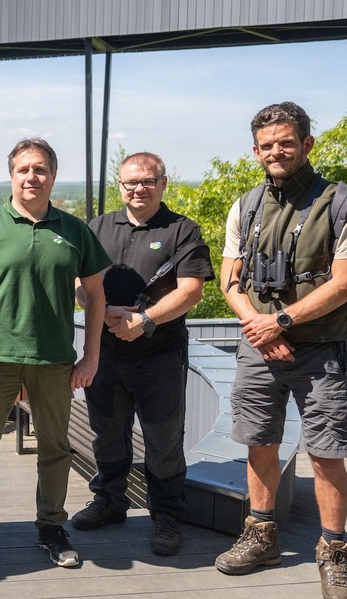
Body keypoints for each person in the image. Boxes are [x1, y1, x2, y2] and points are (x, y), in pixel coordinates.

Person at [215, 103, 347, 599]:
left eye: (286, 142)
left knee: (327, 452)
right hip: (259, 345)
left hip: (320, 348)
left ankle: (333, 553)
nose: (276, 152)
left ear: (307, 144)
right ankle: (262, 536)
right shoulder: (245, 205)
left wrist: (280, 321)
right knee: (258, 441)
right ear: (255, 150)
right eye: (267, 145)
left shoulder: (341, 202)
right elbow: (229, 280)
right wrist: (259, 327)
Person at [0, 139, 110, 570]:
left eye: (40, 169)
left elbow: (96, 296)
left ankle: (51, 527)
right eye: (23, 169)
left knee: (55, 449)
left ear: (53, 176)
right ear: (11, 175)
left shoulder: (74, 230)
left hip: (55, 360)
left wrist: (91, 356)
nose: (31, 177)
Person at [70, 152, 214, 556]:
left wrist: (144, 320)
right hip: (105, 351)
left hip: (160, 356)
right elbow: (79, 283)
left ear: (163, 184)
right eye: (130, 182)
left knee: (163, 438)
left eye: (147, 181)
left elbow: (192, 291)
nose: (138, 189)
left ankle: (166, 514)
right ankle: (109, 501)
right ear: (120, 185)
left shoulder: (181, 230)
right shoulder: (97, 227)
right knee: (106, 433)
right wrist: (102, 311)